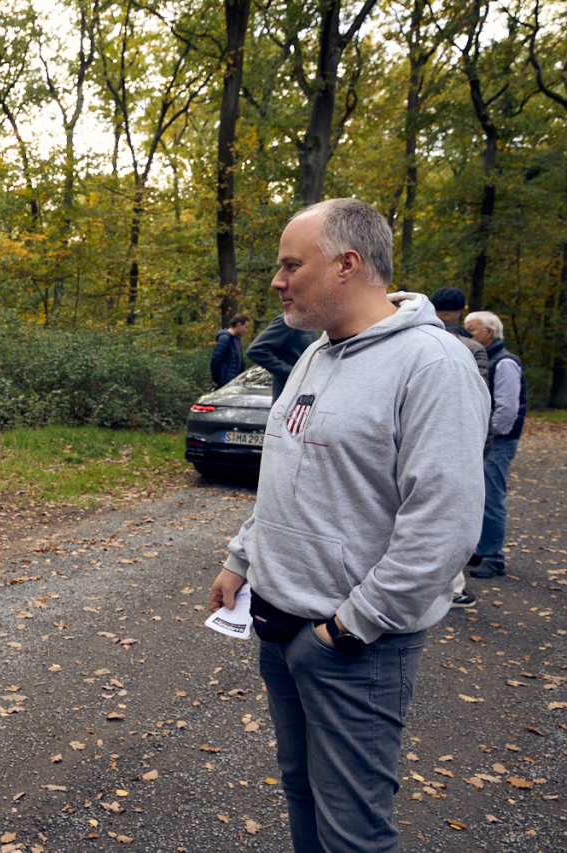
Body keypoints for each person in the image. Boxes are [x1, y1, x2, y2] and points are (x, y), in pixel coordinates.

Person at [208, 199, 488, 853]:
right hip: (279, 627)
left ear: (347, 264)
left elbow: (444, 525)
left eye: (291, 265)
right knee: (302, 792)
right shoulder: (315, 354)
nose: (277, 281)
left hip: (355, 647)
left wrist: (347, 628)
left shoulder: (433, 365)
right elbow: (288, 473)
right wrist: (241, 558)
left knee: (353, 830)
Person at [430, 287, 490, 609]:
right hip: (460, 440)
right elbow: (480, 400)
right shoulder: (472, 347)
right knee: (450, 513)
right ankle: (451, 589)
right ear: (462, 311)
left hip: (422, 436)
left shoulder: (414, 339)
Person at [464, 309, 526, 580]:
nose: (467, 334)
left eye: (471, 329)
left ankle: (493, 556)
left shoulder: (505, 362)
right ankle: (481, 549)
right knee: (480, 495)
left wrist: (486, 435)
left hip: (498, 441)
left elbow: (507, 409)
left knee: (492, 497)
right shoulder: (487, 358)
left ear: (489, 333)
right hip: (488, 439)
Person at [246, 312, 319, 401]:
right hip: (287, 399)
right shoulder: (289, 321)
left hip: (306, 395)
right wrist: (292, 373)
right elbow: (256, 350)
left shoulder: (312, 323)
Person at [210, 312, 250, 387]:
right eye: (245, 327)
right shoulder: (224, 338)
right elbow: (216, 360)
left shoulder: (237, 339)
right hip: (224, 382)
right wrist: (215, 380)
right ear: (239, 325)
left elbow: (240, 361)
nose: (246, 330)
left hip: (235, 380)